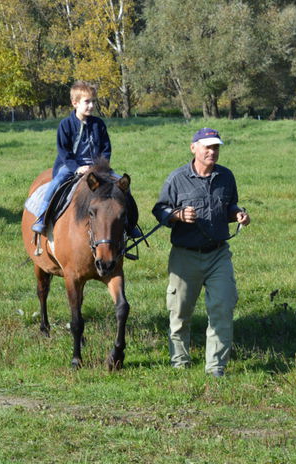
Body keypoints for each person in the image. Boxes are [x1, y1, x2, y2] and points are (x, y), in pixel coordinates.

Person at [151, 128, 251, 378]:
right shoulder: (177, 179)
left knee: (222, 307)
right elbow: (159, 209)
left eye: (215, 147)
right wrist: (177, 215)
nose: (211, 151)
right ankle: (180, 362)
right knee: (180, 312)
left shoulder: (226, 176)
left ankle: (216, 368)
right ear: (193, 147)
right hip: (185, 255)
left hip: (218, 254)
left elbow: (229, 205)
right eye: (206, 146)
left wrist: (237, 214)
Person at [31, 81, 139, 237]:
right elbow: (64, 151)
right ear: (75, 103)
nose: (91, 105)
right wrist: (77, 167)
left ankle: (130, 224)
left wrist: (101, 166)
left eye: (93, 101)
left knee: (122, 187)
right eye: (87, 102)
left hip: (97, 168)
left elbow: (106, 148)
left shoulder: (99, 124)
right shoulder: (65, 125)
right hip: (70, 166)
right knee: (55, 184)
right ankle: (42, 217)